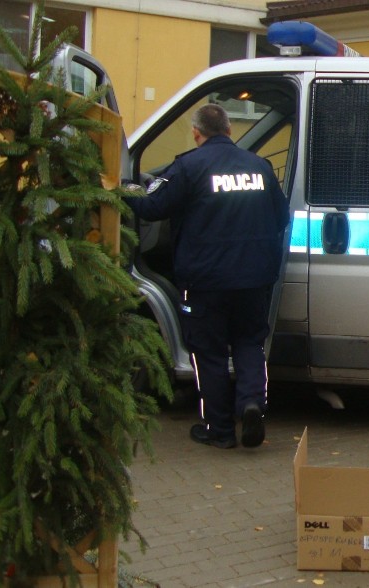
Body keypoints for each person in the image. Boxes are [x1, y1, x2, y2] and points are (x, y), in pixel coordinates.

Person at [125, 103, 290, 449]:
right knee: (249, 343)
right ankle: (251, 404)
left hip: (206, 281)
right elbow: (280, 217)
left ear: (197, 134)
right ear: (230, 131)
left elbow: (153, 207)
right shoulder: (259, 166)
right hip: (254, 278)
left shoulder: (189, 166)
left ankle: (219, 430)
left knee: (209, 352)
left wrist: (120, 191)